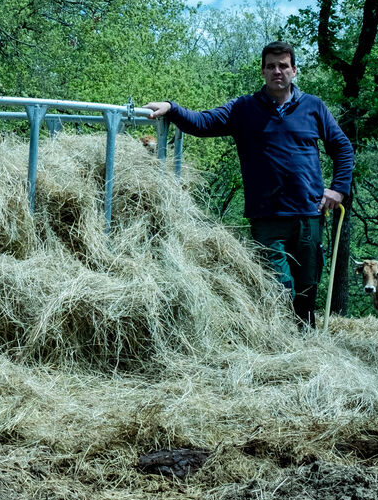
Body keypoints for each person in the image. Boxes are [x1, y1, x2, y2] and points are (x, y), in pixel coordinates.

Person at [143, 40, 354, 327]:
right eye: (271, 66)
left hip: (309, 213)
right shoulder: (244, 108)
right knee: (277, 288)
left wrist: (338, 189)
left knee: (307, 289)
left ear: (294, 70)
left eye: (283, 66)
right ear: (263, 71)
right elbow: (202, 123)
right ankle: (280, 342)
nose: (277, 71)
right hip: (267, 218)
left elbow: (342, 147)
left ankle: (307, 342)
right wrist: (172, 108)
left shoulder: (313, 107)